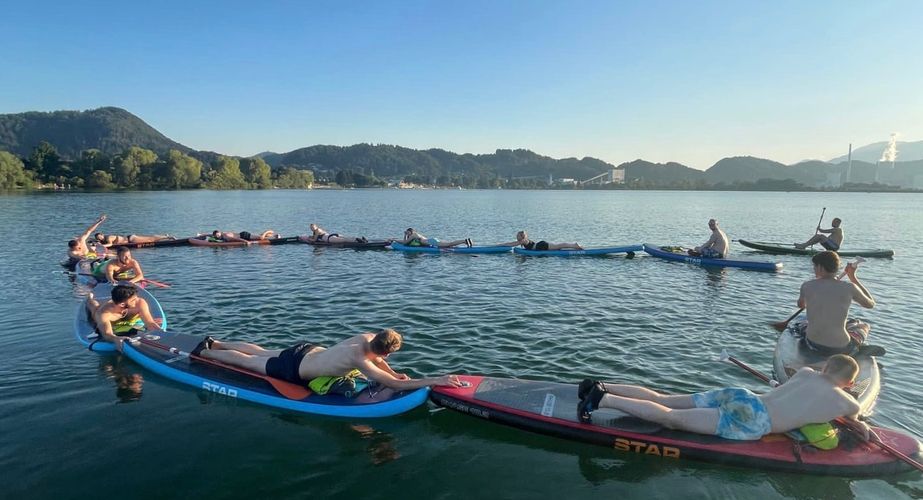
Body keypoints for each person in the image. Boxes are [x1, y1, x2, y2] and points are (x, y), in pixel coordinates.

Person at [577, 354, 873, 441]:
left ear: (826, 367)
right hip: (755, 420)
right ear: (848, 383)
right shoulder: (847, 400)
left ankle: (601, 384)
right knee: (671, 420)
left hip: (742, 396)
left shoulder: (807, 373)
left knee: (663, 398)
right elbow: (855, 420)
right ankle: (602, 400)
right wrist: (863, 426)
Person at [193, 328, 463, 391]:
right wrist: (439, 379)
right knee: (247, 362)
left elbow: (381, 363)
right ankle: (205, 352)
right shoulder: (360, 359)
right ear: (385, 350)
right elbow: (394, 385)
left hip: (307, 350)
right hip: (295, 368)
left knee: (261, 350)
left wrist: (393, 371)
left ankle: (215, 341)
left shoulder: (365, 338)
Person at [798, 251, 875, 353]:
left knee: (803, 324)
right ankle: (857, 344)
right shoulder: (849, 287)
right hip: (840, 346)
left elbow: (801, 305)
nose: (813, 269)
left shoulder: (807, 285)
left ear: (820, 267)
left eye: (814, 266)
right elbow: (871, 304)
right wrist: (853, 277)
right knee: (863, 326)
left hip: (812, 342)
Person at [86, 284, 163, 351]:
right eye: (133, 300)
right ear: (122, 304)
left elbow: (149, 322)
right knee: (94, 307)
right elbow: (107, 334)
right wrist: (115, 339)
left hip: (123, 313)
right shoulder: (104, 314)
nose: (137, 300)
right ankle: (89, 298)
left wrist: (159, 332)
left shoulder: (140, 303)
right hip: (106, 315)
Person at [499, 230, 582, 251]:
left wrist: (500, 245)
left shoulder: (523, 241)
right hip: (540, 245)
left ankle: (574, 245)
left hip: (541, 245)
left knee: (558, 245)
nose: (516, 237)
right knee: (557, 246)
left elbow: (511, 244)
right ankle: (572, 246)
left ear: (521, 236)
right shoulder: (524, 240)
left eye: (517, 236)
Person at [401, 228, 471, 248]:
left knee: (449, 244)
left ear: (410, 232)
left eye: (407, 232)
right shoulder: (416, 235)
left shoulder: (413, 235)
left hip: (432, 242)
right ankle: (465, 242)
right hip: (432, 240)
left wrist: (404, 235)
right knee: (449, 244)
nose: (407, 233)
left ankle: (464, 241)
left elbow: (405, 243)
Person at [95, 232, 174, 247]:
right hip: (130, 239)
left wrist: (102, 246)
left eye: (100, 237)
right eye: (98, 238)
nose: (100, 238)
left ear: (102, 235)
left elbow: (110, 244)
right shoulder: (103, 240)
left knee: (150, 239)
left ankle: (167, 237)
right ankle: (165, 236)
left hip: (131, 240)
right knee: (150, 239)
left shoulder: (108, 238)